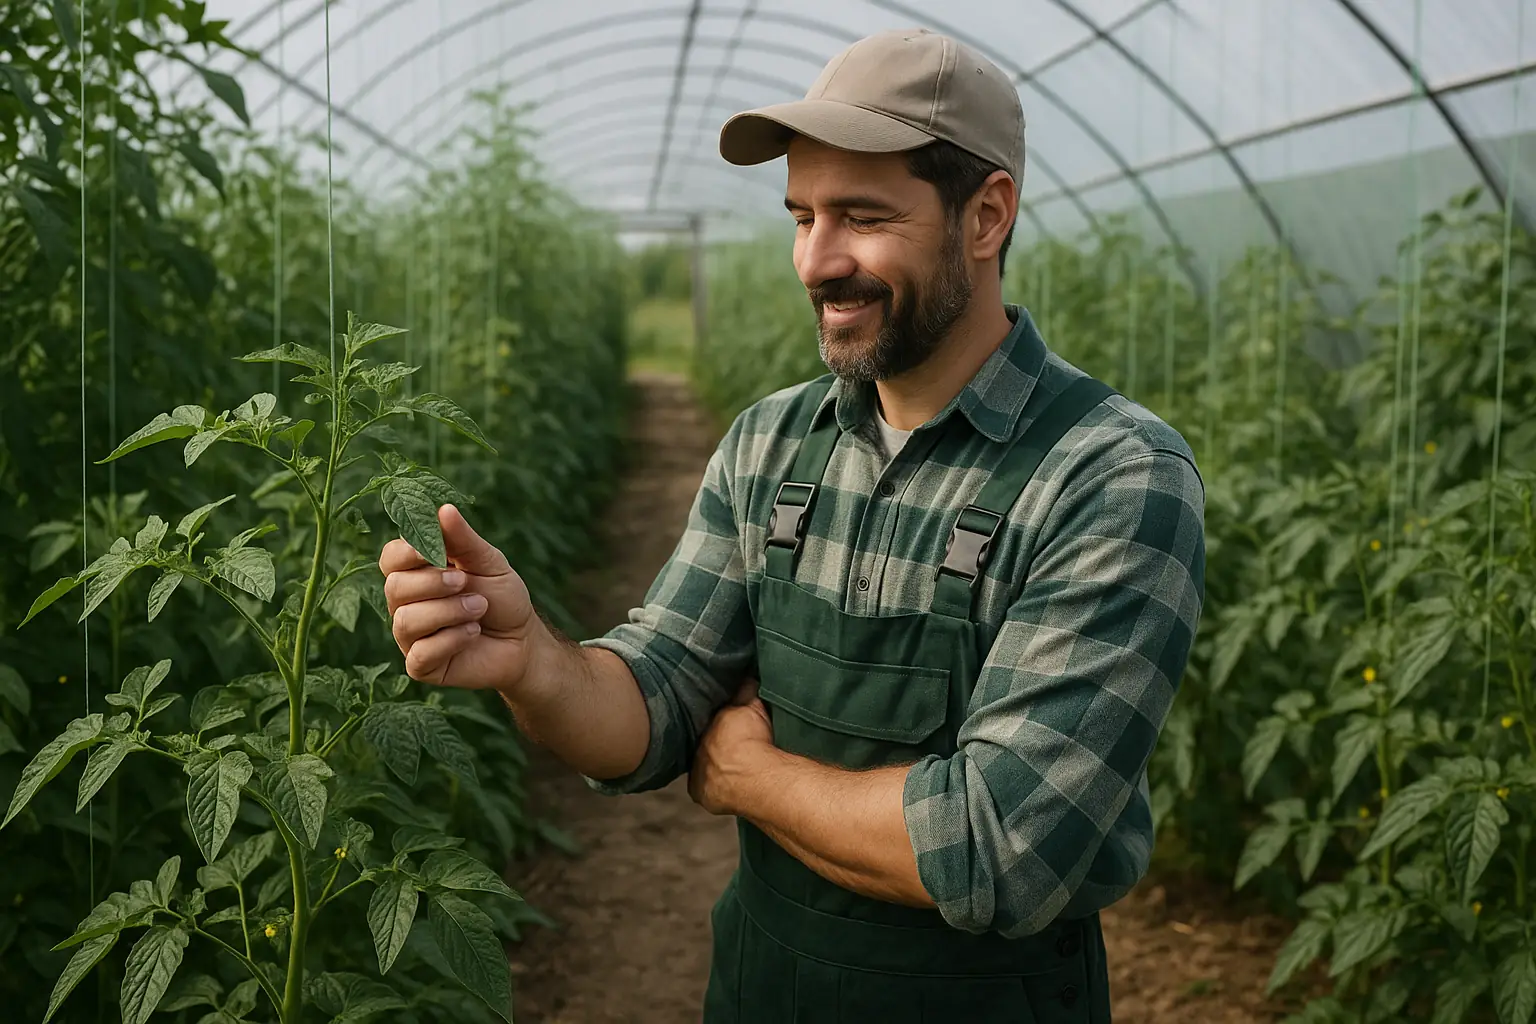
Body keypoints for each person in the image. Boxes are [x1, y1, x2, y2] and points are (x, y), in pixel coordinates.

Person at [379, 26, 1205, 1024]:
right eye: (801, 216)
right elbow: (654, 694)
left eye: (861, 216)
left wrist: (753, 777)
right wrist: (533, 664)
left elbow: (1000, 847)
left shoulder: (1108, 473)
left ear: (986, 217)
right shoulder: (772, 444)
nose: (818, 260)